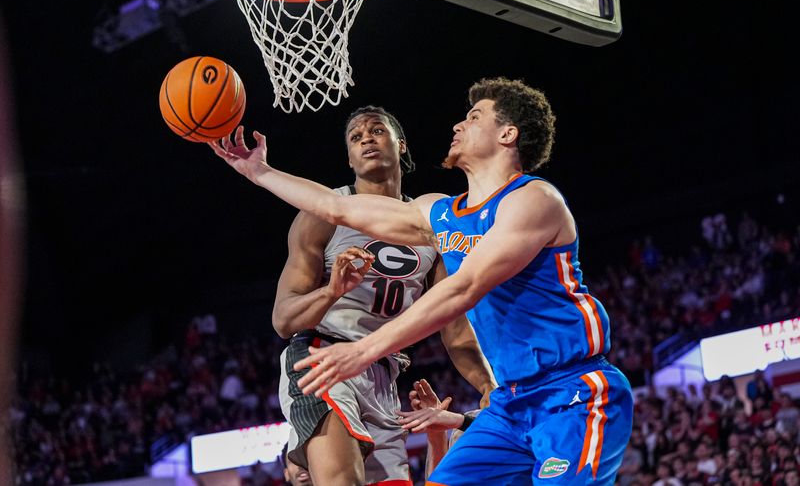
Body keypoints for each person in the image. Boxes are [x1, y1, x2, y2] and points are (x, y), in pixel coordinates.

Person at [210, 77, 634, 484]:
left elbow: (462, 290)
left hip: (572, 391)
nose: (458, 124)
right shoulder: (441, 213)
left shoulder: (534, 199)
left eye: (473, 116)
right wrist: (258, 172)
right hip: (511, 401)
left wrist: (363, 350)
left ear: (507, 135)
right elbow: (335, 208)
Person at [271, 107, 495, 486]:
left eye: (377, 131)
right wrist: (331, 291)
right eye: (356, 138)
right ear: (349, 158)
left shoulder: (429, 223)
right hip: (320, 358)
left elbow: (455, 327)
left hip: (381, 373)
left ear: (400, 144)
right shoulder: (322, 216)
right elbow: (283, 319)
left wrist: (489, 386)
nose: (367, 140)